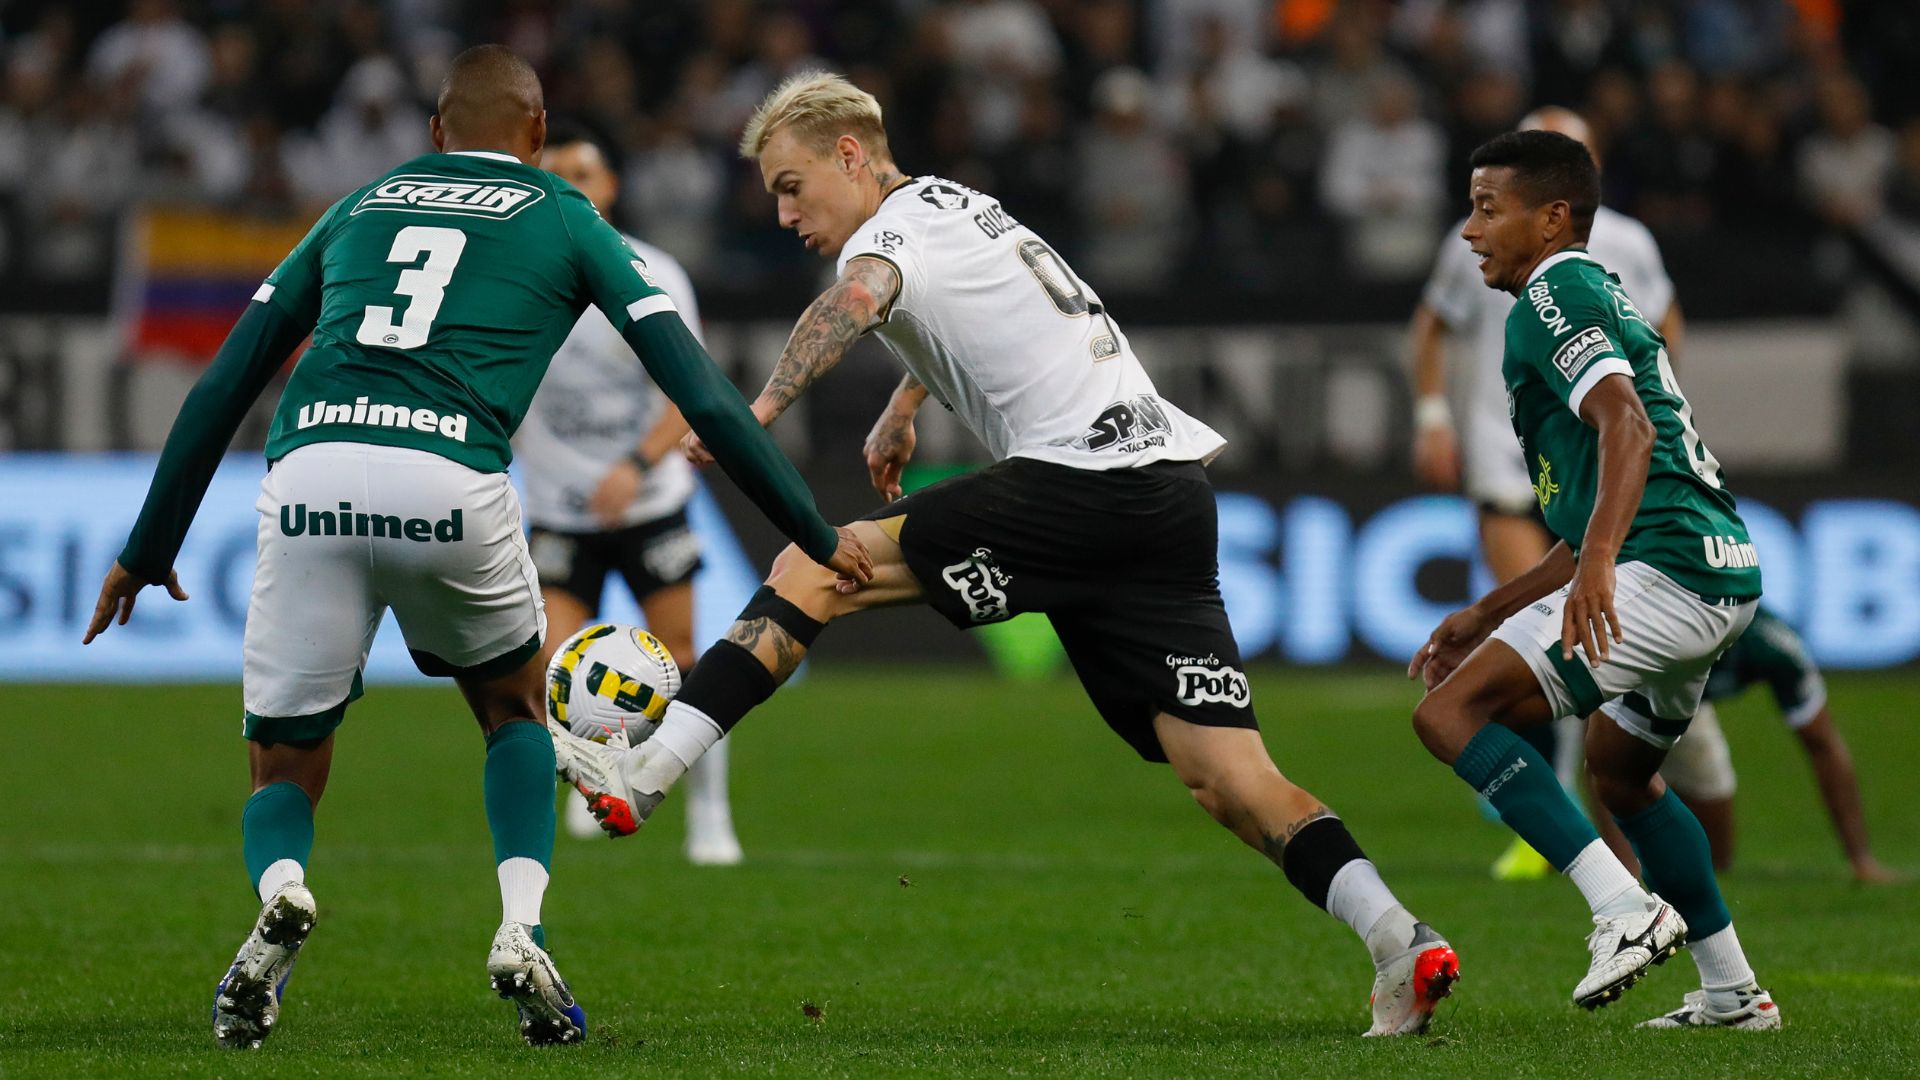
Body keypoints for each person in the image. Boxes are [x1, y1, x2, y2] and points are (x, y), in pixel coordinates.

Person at [551, 71, 1460, 1038]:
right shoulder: (961, 207)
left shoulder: (881, 239)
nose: (783, 213)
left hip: (1079, 485)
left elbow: (859, 299)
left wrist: (754, 409)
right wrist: (907, 402)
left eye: (791, 185)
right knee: (1228, 778)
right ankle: (1400, 941)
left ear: (851, 156)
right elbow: (1003, 316)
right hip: (1166, 496)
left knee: (814, 569)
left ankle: (643, 774)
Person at [82, 46, 867, 1049]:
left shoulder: (361, 203)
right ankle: (518, 931)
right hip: (451, 477)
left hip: (311, 472)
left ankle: (283, 891)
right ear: (538, 136)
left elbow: (222, 385)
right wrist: (811, 530)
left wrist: (148, 549)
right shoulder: (563, 213)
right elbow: (703, 395)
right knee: (511, 710)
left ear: (433, 135)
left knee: (280, 760)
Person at [1409, 129, 1779, 1030]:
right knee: (1618, 771)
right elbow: (1585, 521)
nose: (1469, 231)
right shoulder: (1587, 294)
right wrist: (1487, 611)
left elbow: (1629, 430)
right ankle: (1733, 994)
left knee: (1450, 714)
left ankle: (1624, 910)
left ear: (1553, 218)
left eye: (1488, 208)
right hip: (1717, 568)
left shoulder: (1555, 293)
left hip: (1666, 567)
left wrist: (1607, 567)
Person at [1409, 107, 1688, 882]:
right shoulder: (1507, 248)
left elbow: (1646, 366)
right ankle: (1569, 829)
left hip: (1608, 464)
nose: (1472, 228)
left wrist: (1655, 407)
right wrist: (1434, 416)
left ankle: (1584, 857)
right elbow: (1430, 323)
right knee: (1549, 634)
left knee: (1549, 663)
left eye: (1488, 209)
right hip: (1517, 463)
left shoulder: (1588, 264)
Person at [518, 123, 742, 865]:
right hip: (557, 506)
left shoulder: (653, 271)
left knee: (683, 658)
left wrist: (636, 468)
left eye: (583, 171)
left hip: (648, 501)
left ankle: (709, 815)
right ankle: (596, 786)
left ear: (609, 187)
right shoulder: (518, 275)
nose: (571, 185)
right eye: (556, 173)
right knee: (554, 667)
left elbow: (687, 390)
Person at [1663, 607, 1894, 882]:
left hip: (1689, 706)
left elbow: (1821, 743)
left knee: (1717, 858)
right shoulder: (1657, 624)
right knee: (1615, 768)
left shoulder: (1772, 644)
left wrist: (1860, 859)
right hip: (1639, 686)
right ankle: (1626, 877)